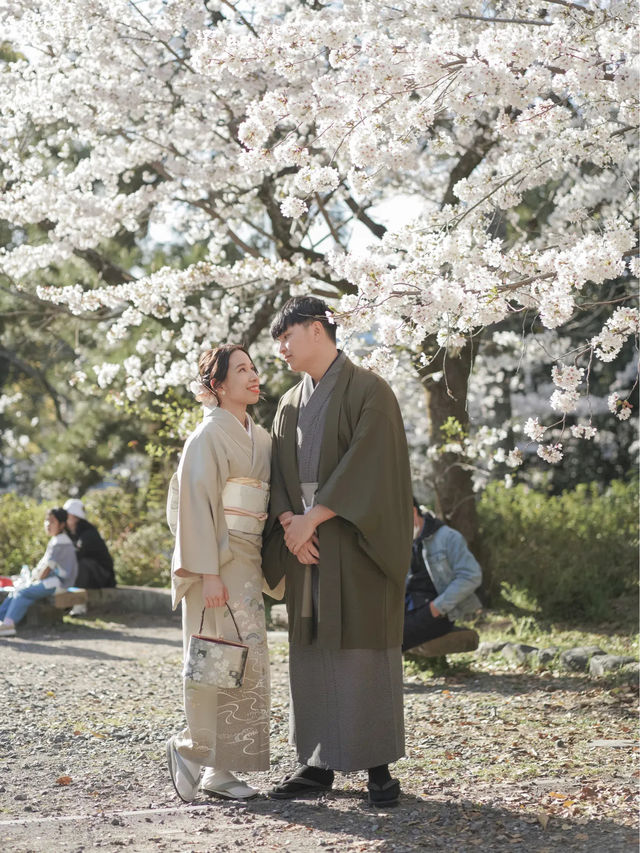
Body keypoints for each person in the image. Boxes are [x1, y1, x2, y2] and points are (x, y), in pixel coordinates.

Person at [262, 296, 413, 807]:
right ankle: (316, 763)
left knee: (362, 645)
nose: (280, 347)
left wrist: (314, 518)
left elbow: (370, 466)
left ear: (317, 329)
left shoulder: (371, 390)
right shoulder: (288, 403)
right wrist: (290, 524)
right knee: (310, 646)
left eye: (287, 335)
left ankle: (379, 769)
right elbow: (277, 477)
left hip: (353, 537)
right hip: (305, 543)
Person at [166, 344, 275, 803]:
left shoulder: (263, 438)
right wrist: (207, 572)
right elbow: (193, 504)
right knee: (213, 660)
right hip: (217, 564)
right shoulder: (206, 437)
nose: (253, 376)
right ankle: (192, 748)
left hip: (247, 562)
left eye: (254, 368)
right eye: (242, 370)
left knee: (248, 662)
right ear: (217, 385)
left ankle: (222, 768)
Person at [403, 499, 482, 652]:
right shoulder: (404, 541)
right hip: (408, 607)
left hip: (438, 612)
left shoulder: (448, 537)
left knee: (393, 638)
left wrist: (437, 607)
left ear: (412, 511)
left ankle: (377, 676)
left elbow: (471, 575)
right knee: (376, 630)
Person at [0, 508, 78, 637]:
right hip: (53, 581)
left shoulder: (60, 542)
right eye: (47, 520)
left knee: (22, 592)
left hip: (58, 583)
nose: (48, 524)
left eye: (52, 522)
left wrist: (33, 582)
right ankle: (2, 620)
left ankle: (9, 624)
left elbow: (47, 569)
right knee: (17, 589)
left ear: (62, 524)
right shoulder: (58, 540)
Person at [63, 498, 115, 589]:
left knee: (80, 564)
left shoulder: (88, 533)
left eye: (66, 514)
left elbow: (77, 555)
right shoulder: (70, 533)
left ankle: (77, 598)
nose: (64, 518)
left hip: (104, 576)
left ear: (76, 517)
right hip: (92, 573)